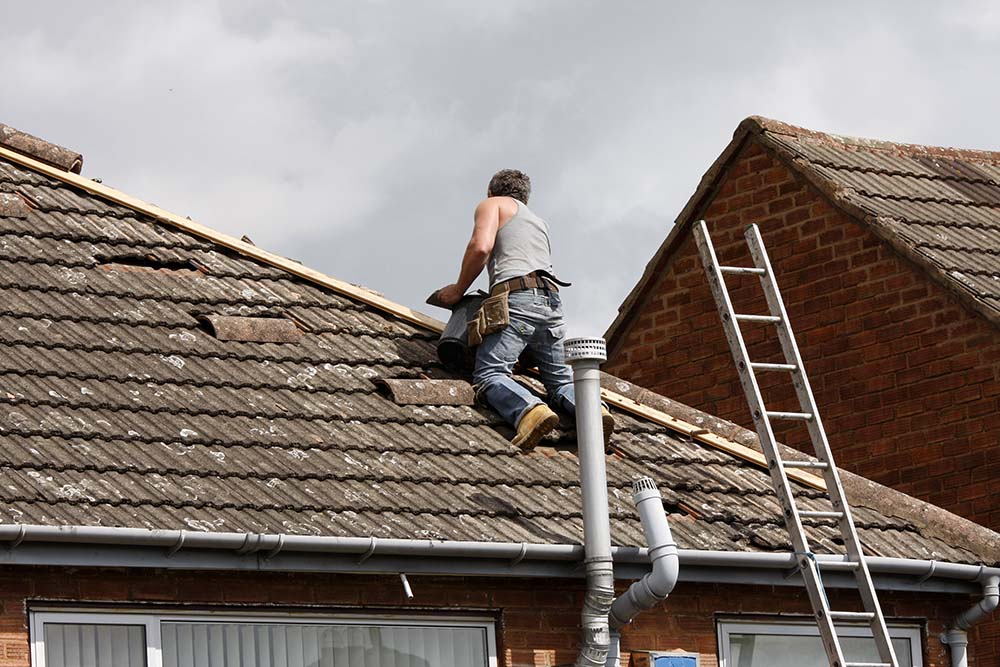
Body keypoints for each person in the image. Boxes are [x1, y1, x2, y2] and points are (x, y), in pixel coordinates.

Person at [436, 169, 612, 449]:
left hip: (518, 298)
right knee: (559, 381)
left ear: (491, 192)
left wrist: (458, 290)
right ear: (525, 198)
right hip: (551, 302)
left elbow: (481, 248)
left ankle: (530, 411)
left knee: (490, 374)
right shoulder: (538, 222)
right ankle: (593, 412)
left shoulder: (492, 204)